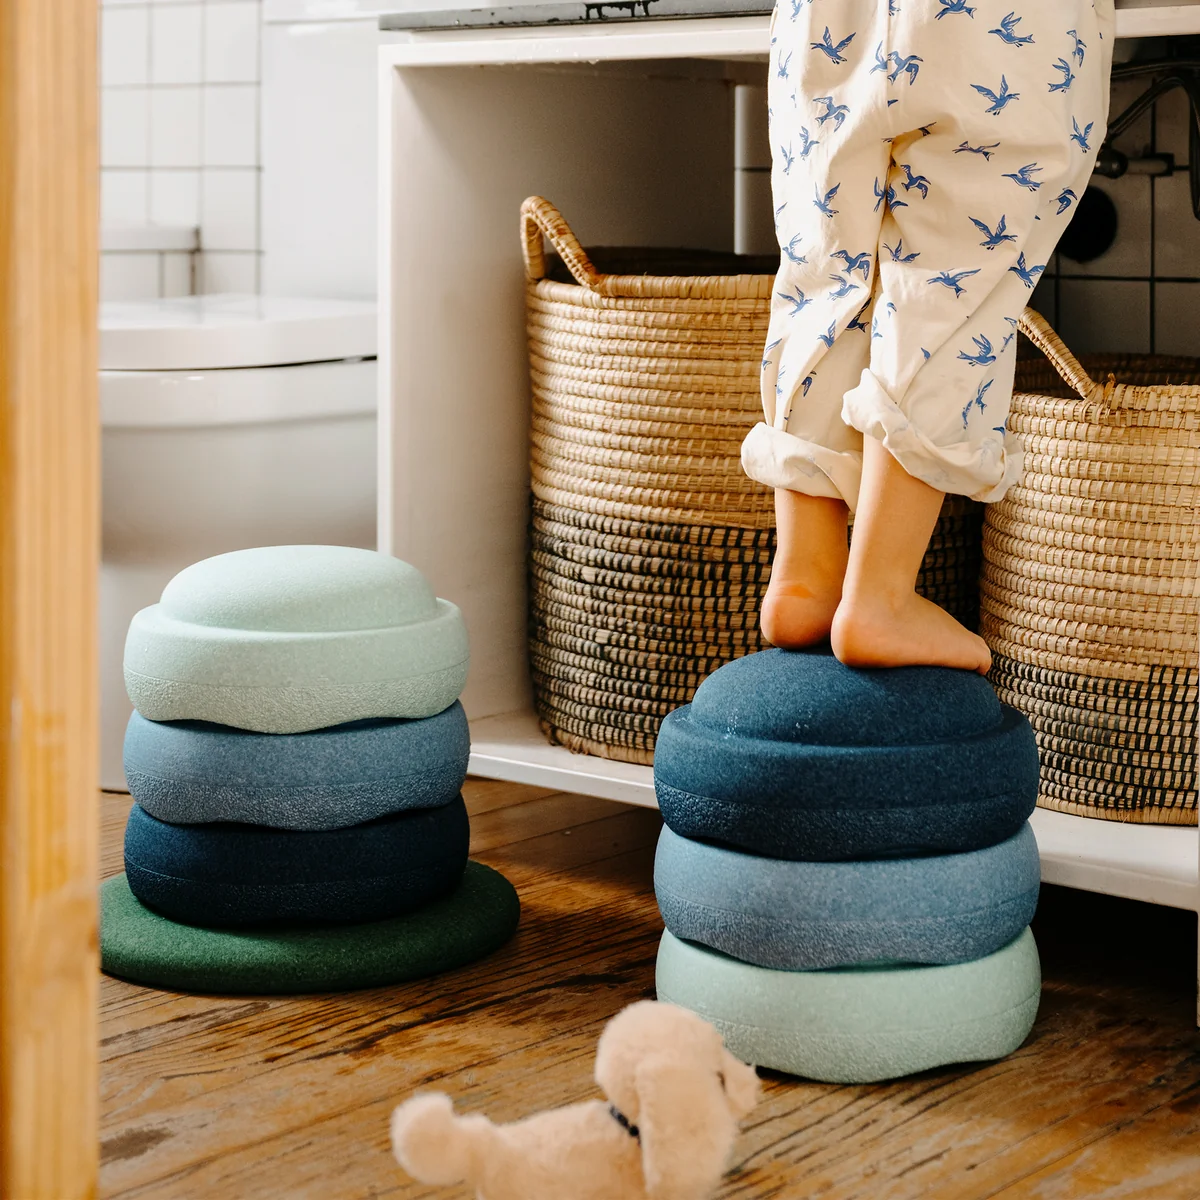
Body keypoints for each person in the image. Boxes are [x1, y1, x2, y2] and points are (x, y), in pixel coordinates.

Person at [743, 0, 1114, 673]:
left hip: (826, 19)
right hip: (991, 26)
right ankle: (880, 596)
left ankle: (805, 574)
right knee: (952, 287)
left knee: (826, 273)